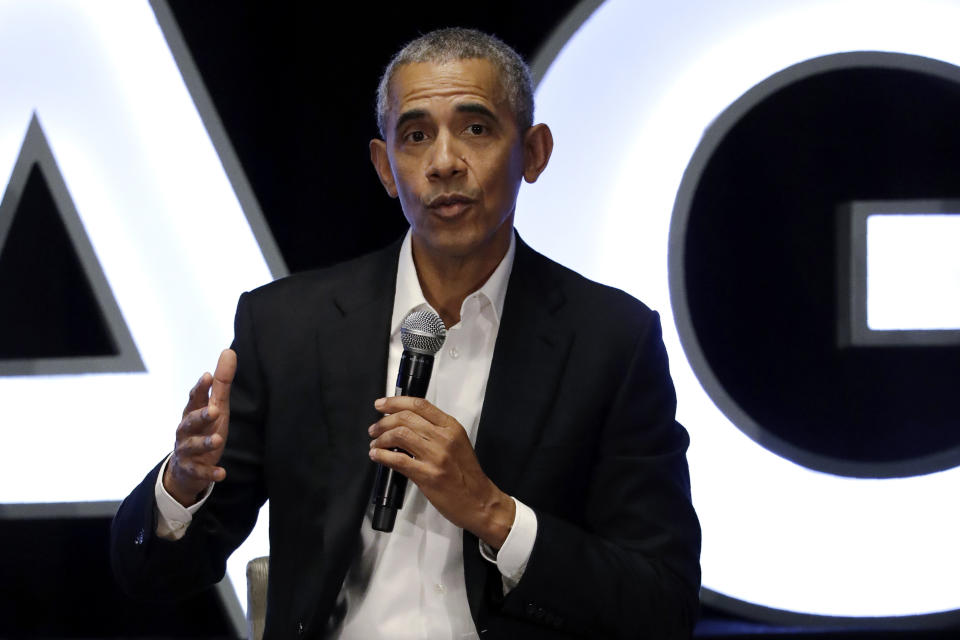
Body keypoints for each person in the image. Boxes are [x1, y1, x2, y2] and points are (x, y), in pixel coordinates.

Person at [111, 27, 701, 639]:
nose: (444, 162)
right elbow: (155, 574)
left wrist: (494, 513)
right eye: (416, 136)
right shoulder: (288, 327)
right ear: (385, 167)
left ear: (533, 152)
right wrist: (181, 488)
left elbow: (661, 603)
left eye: (476, 128)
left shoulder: (611, 341)